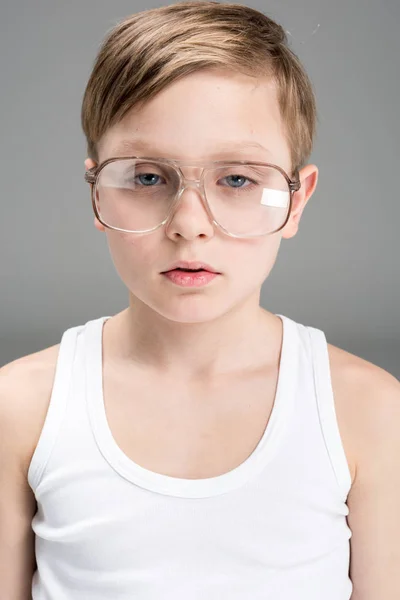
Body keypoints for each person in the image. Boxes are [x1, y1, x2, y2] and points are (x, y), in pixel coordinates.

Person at [1, 1, 399, 598]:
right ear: (96, 195)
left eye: (237, 179)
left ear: (296, 200)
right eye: (146, 177)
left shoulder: (369, 413)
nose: (189, 224)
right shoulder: (20, 408)